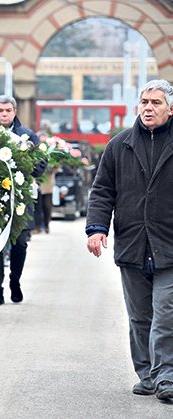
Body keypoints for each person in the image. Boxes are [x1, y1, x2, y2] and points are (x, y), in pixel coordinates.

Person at [86, 79, 173, 401]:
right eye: (144, 102)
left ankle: (167, 377)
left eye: (156, 103)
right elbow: (102, 191)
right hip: (133, 243)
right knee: (140, 316)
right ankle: (147, 373)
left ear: (170, 109)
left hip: (169, 244)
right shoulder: (119, 145)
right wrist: (96, 228)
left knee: (166, 312)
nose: (148, 108)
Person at [0, 94, 44, 306]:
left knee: (20, 243)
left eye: (8, 111)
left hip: (20, 196)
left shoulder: (27, 135)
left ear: (14, 112)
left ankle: (15, 281)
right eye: (0, 110)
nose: (4, 114)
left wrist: (23, 160)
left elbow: (40, 165)